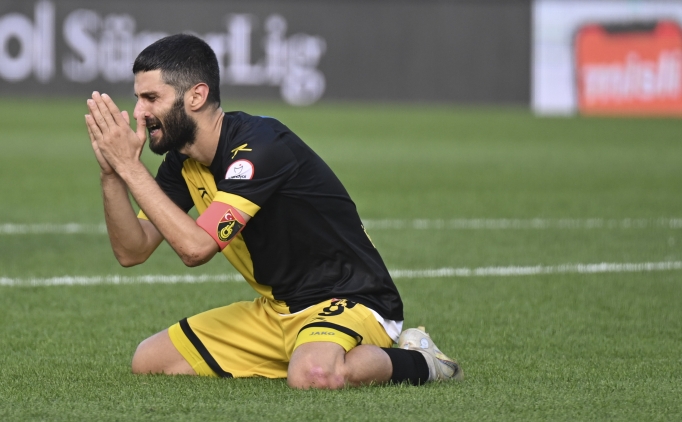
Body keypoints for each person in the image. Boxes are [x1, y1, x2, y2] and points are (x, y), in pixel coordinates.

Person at [84, 33, 461, 389]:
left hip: (349, 299)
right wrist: (112, 174)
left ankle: (421, 360)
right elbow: (132, 251)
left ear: (196, 96)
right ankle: (312, 351)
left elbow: (196, 248)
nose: (139, 112)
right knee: (149, 360)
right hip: (276, 311)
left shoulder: (259, 147)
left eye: (151, 98)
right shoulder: (182, 162)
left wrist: (131, 167)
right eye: (138, 98)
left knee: (312, 375)